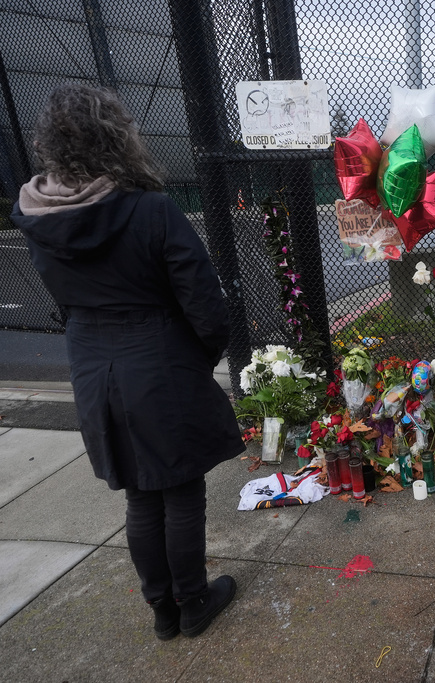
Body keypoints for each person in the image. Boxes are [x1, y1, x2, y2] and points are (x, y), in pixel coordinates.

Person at [10, 83, 243, 640]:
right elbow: (205, 305)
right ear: (116, 137)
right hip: (159, 361)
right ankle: (192, 602)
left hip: (93, 366)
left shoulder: (38, 216)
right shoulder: (151, 210)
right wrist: (198, 356)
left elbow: (67, 299)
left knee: (141, 494)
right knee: (180, 489)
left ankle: (162, 609)